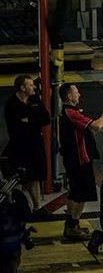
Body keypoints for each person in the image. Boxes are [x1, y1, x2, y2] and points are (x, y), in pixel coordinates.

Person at [58, 83, 103, 241]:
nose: (79, 95)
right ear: (69, 96)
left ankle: (73, 224)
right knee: (78, 193)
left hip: (81, 158)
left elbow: (97, 126)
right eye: (76, 92)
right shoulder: (70, 113)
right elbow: (96, 126)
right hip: (78, 159)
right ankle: (71, 227)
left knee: (81, 193)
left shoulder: (72, 112)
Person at [2, 75, 50, 211]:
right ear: (22, 88)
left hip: (35, 144)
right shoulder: (11, 104)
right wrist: (34, 121)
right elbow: (15, 127)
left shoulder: (35, 100)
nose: (34, 87)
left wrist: (29, 121)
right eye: (30, 85)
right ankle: (14, 205)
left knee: (35, 176)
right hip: (19, 146)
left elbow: (46, 119)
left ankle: (37, 206)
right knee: (18, 176)